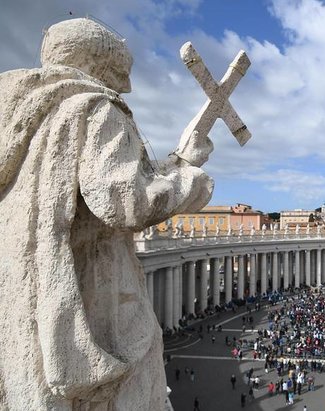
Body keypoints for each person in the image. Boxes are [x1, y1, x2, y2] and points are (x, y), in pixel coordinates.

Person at [0, 17, 218, 410]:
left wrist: (178, 160)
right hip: (95, 293)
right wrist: (193, 181)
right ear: (99, 63)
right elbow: (125, 201)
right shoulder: (94, 107)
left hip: (21, 293)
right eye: (121, 73)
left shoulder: (16, 115)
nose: (128, 87)